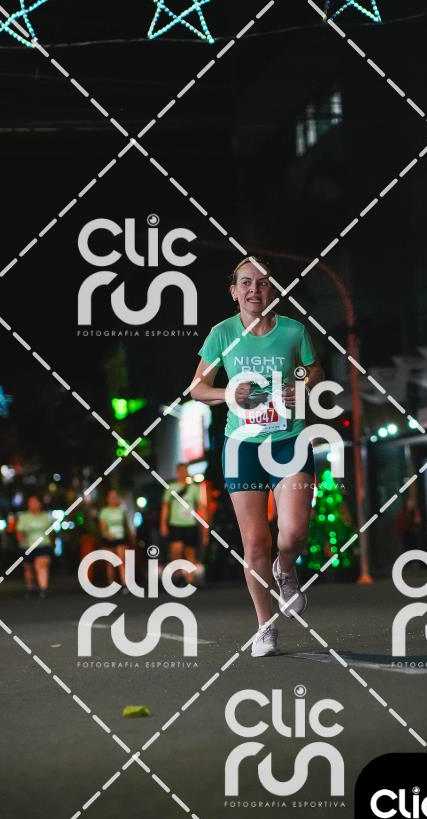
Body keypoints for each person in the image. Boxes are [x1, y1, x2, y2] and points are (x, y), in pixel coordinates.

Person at [190, 256, 324, 657]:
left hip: (288, 440)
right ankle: (265, 626)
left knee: (294, 532)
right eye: (246, 283)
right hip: (242, 445)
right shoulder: (222, 334)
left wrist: (301, 385)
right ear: (234, 292)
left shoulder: (293, 331)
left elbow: (314, 370)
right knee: (254, 541)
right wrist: (228, 394)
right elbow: (197, 388)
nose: (255, 290)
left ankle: (286, 568)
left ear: (273, 290)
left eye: (263, 283)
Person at [159, 463, 203, 588]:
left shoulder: (194, 488)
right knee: (176, 549)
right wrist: (163, 524)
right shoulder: (171, 487)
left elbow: (200, 506)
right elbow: (165, 507)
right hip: (175, 524)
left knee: (190, 551)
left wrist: (203, 522)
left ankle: (189, 581)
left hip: (190, 523)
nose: (183, 473)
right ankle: (179, 574)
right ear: (177, 472)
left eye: (185, 470)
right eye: (181, 471)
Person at [16, 495, 54, 599]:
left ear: (40, 504)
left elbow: (51, 531)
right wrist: (21, 541)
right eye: (30, 503)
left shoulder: (45, 516)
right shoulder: (24, 517)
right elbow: (19, 532)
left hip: (43, 545)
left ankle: (43, 589)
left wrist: (52, 543)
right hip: (28, 546)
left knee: (41, 566)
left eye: (34, 502)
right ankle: (30, 587)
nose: (32, 505)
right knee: (29, 568)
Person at [98, 490, 133, 592]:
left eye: (115, 497)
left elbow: (126, 525)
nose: (113, 499)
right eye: (111, 497)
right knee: (110, 562)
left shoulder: (121, 510)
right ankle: (111, 583)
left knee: (122, 560)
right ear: (108, 499)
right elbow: (102, 526)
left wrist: (130, 535)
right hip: (108, 538)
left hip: (121, 538)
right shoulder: (104, 511)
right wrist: (108, 535)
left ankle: (125, 583)